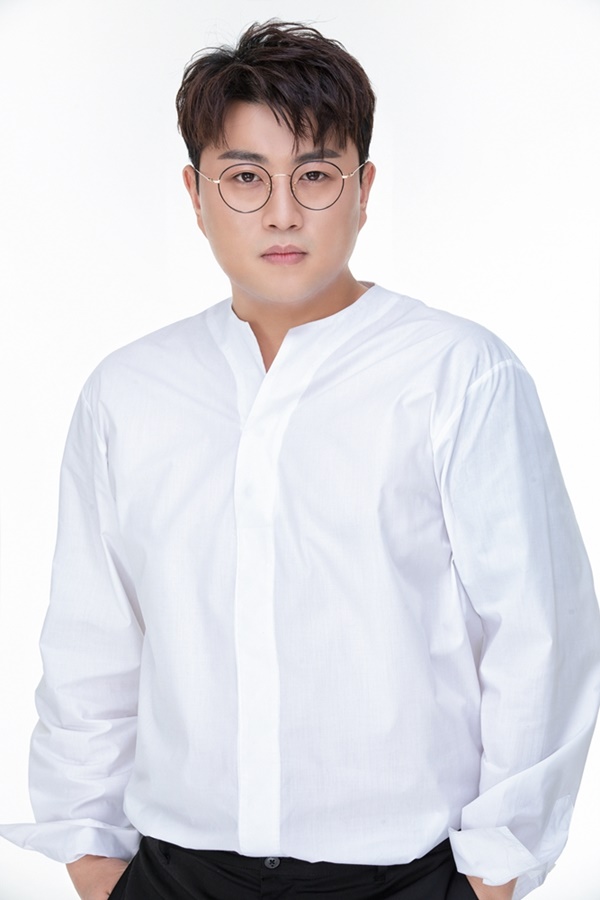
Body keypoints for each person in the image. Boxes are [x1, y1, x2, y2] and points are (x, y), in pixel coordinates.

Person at [1, 19, 599, 900]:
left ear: (363, 189)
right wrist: (96, 867)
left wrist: (494, 874)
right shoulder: (129, 393)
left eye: (315, 175)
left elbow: (538, 636)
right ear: (195, 194)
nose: (282, 212)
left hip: (407, 877)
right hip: (173, 872)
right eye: (245, 177)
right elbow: (94, 643)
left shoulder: (457, 374)